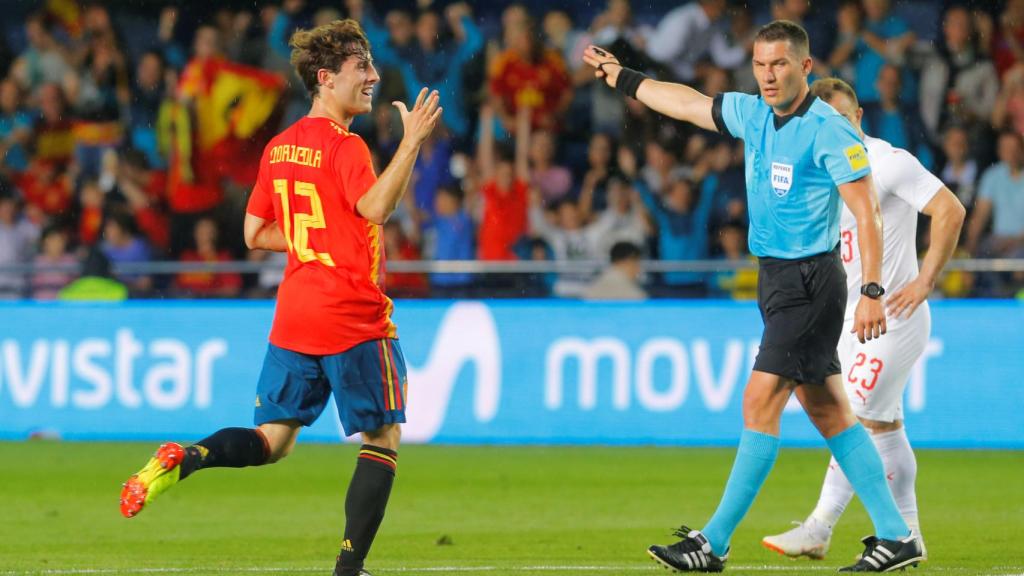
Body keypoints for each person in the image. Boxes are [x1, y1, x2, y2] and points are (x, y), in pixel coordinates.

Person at [584, 19, 923, 572]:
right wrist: (623, 77)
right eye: (760, 64)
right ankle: (895, 534)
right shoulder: (752, 113)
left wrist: (871, 290)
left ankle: (712, 542)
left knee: (759, 401)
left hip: (811, 281)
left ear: (805, 67)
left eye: (779, 64)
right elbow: (688, 103)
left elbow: (867, 212)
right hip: (776, 280)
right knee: (830, 411)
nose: (767, 75)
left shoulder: (829, 129)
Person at [119, 19, 441, 576]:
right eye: (360, 67)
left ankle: (191, 456)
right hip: (351, 316)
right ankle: (349, 568)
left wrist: (314, 240)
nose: (373, 75)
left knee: (274, 439)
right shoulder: (347, 147)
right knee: (383, 437)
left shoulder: (280, 146)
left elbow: (252, 232)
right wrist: (410, 144)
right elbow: (375, 209)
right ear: (325, 78)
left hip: (295, 316)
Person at [762, 77, 966, 561]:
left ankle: (819, 527)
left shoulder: (888, 161)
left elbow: (949, 209)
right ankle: (909, 538)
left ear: (856, 119)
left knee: (853, 418)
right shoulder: (821, 170)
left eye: (835, 120)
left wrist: (925, 281)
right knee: (886, 428)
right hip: (848, 323)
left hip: (893, 317)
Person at [582, 241, 646, 300]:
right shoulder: (632, 294)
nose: (639, 269)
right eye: (637, 263)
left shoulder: (593, 289)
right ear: (629, 261)